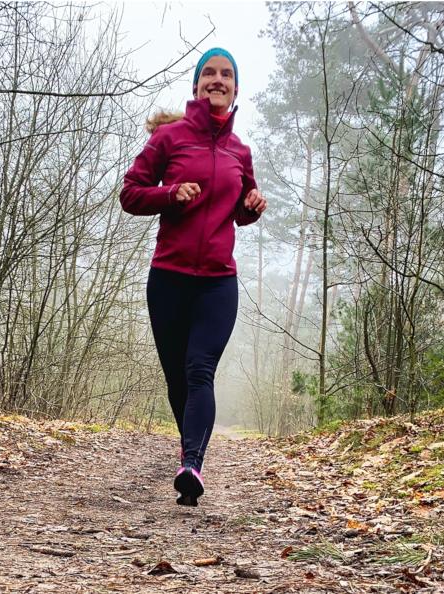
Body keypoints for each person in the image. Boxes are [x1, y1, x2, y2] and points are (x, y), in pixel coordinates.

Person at [119, 47, 267, 506]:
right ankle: (190, 454)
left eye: (226, 74)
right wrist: (169, 194)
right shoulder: (170, 139)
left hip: (218, 282)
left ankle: (191, 466)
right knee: (177, 380)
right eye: (209, 73)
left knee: (199, 369)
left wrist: (251, 208)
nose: (217, 80)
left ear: (236, 88)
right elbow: (130, 194)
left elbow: (239, 214)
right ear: (197, 86)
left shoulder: (240, 151)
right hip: (169, 278)